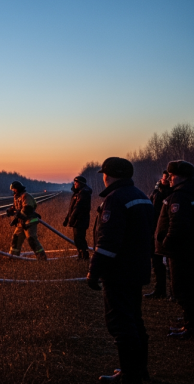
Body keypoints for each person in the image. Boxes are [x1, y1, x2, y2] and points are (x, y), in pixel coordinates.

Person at [87, 157, 153, 383]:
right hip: (137, 269)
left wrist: (94, 271)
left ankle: (130, 375)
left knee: (121, 323)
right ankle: (139, 372)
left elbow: (108, 242)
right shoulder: (141, 197)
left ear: (109, 175)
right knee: (135, 320)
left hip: (119, 272)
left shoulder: (115, 200)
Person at [155, 160, 194, 340]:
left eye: (173, 176)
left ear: (183, 177)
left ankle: (190, 327)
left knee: (183, 289)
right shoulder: (185, 192)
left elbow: (178, 226)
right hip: (185, 250)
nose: (169, 178)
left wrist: (166, 242)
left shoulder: (180, 196)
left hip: (180, 252)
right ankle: (188, 321)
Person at [146, 170, 172, 299]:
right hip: (155, 230)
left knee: (171, 264)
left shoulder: (173, 193)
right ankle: (159, 289)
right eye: (163, 176)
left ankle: (174, 293)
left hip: (167, 231)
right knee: (156, 262)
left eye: (167, 177)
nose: (164, 179)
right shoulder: (156, 191)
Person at [6, 181, 47, 260]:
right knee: (16, 238)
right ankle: (13, 257)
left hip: (29, 222)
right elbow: (16, 207)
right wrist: (10, 210)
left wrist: (20, 215)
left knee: (32, 239)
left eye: (14, 189)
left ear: (18, 189)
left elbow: (27, 208)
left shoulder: (26, 196)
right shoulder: (17, 197)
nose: (13, 191)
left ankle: (42, 257)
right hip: (21, 223)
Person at [63, 176, 92, 259]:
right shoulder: (77, 193)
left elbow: (77, 208)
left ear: (81, 184)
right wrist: (67, 219)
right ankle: (80, 254)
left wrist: (71, 219)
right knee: (77, 239)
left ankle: (85, 256)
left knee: (80, 238)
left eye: (76, 182)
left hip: (81, 220)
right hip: (76, 220)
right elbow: (71, 208)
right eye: (74, 182)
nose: (74, 184)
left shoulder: (84, 193)